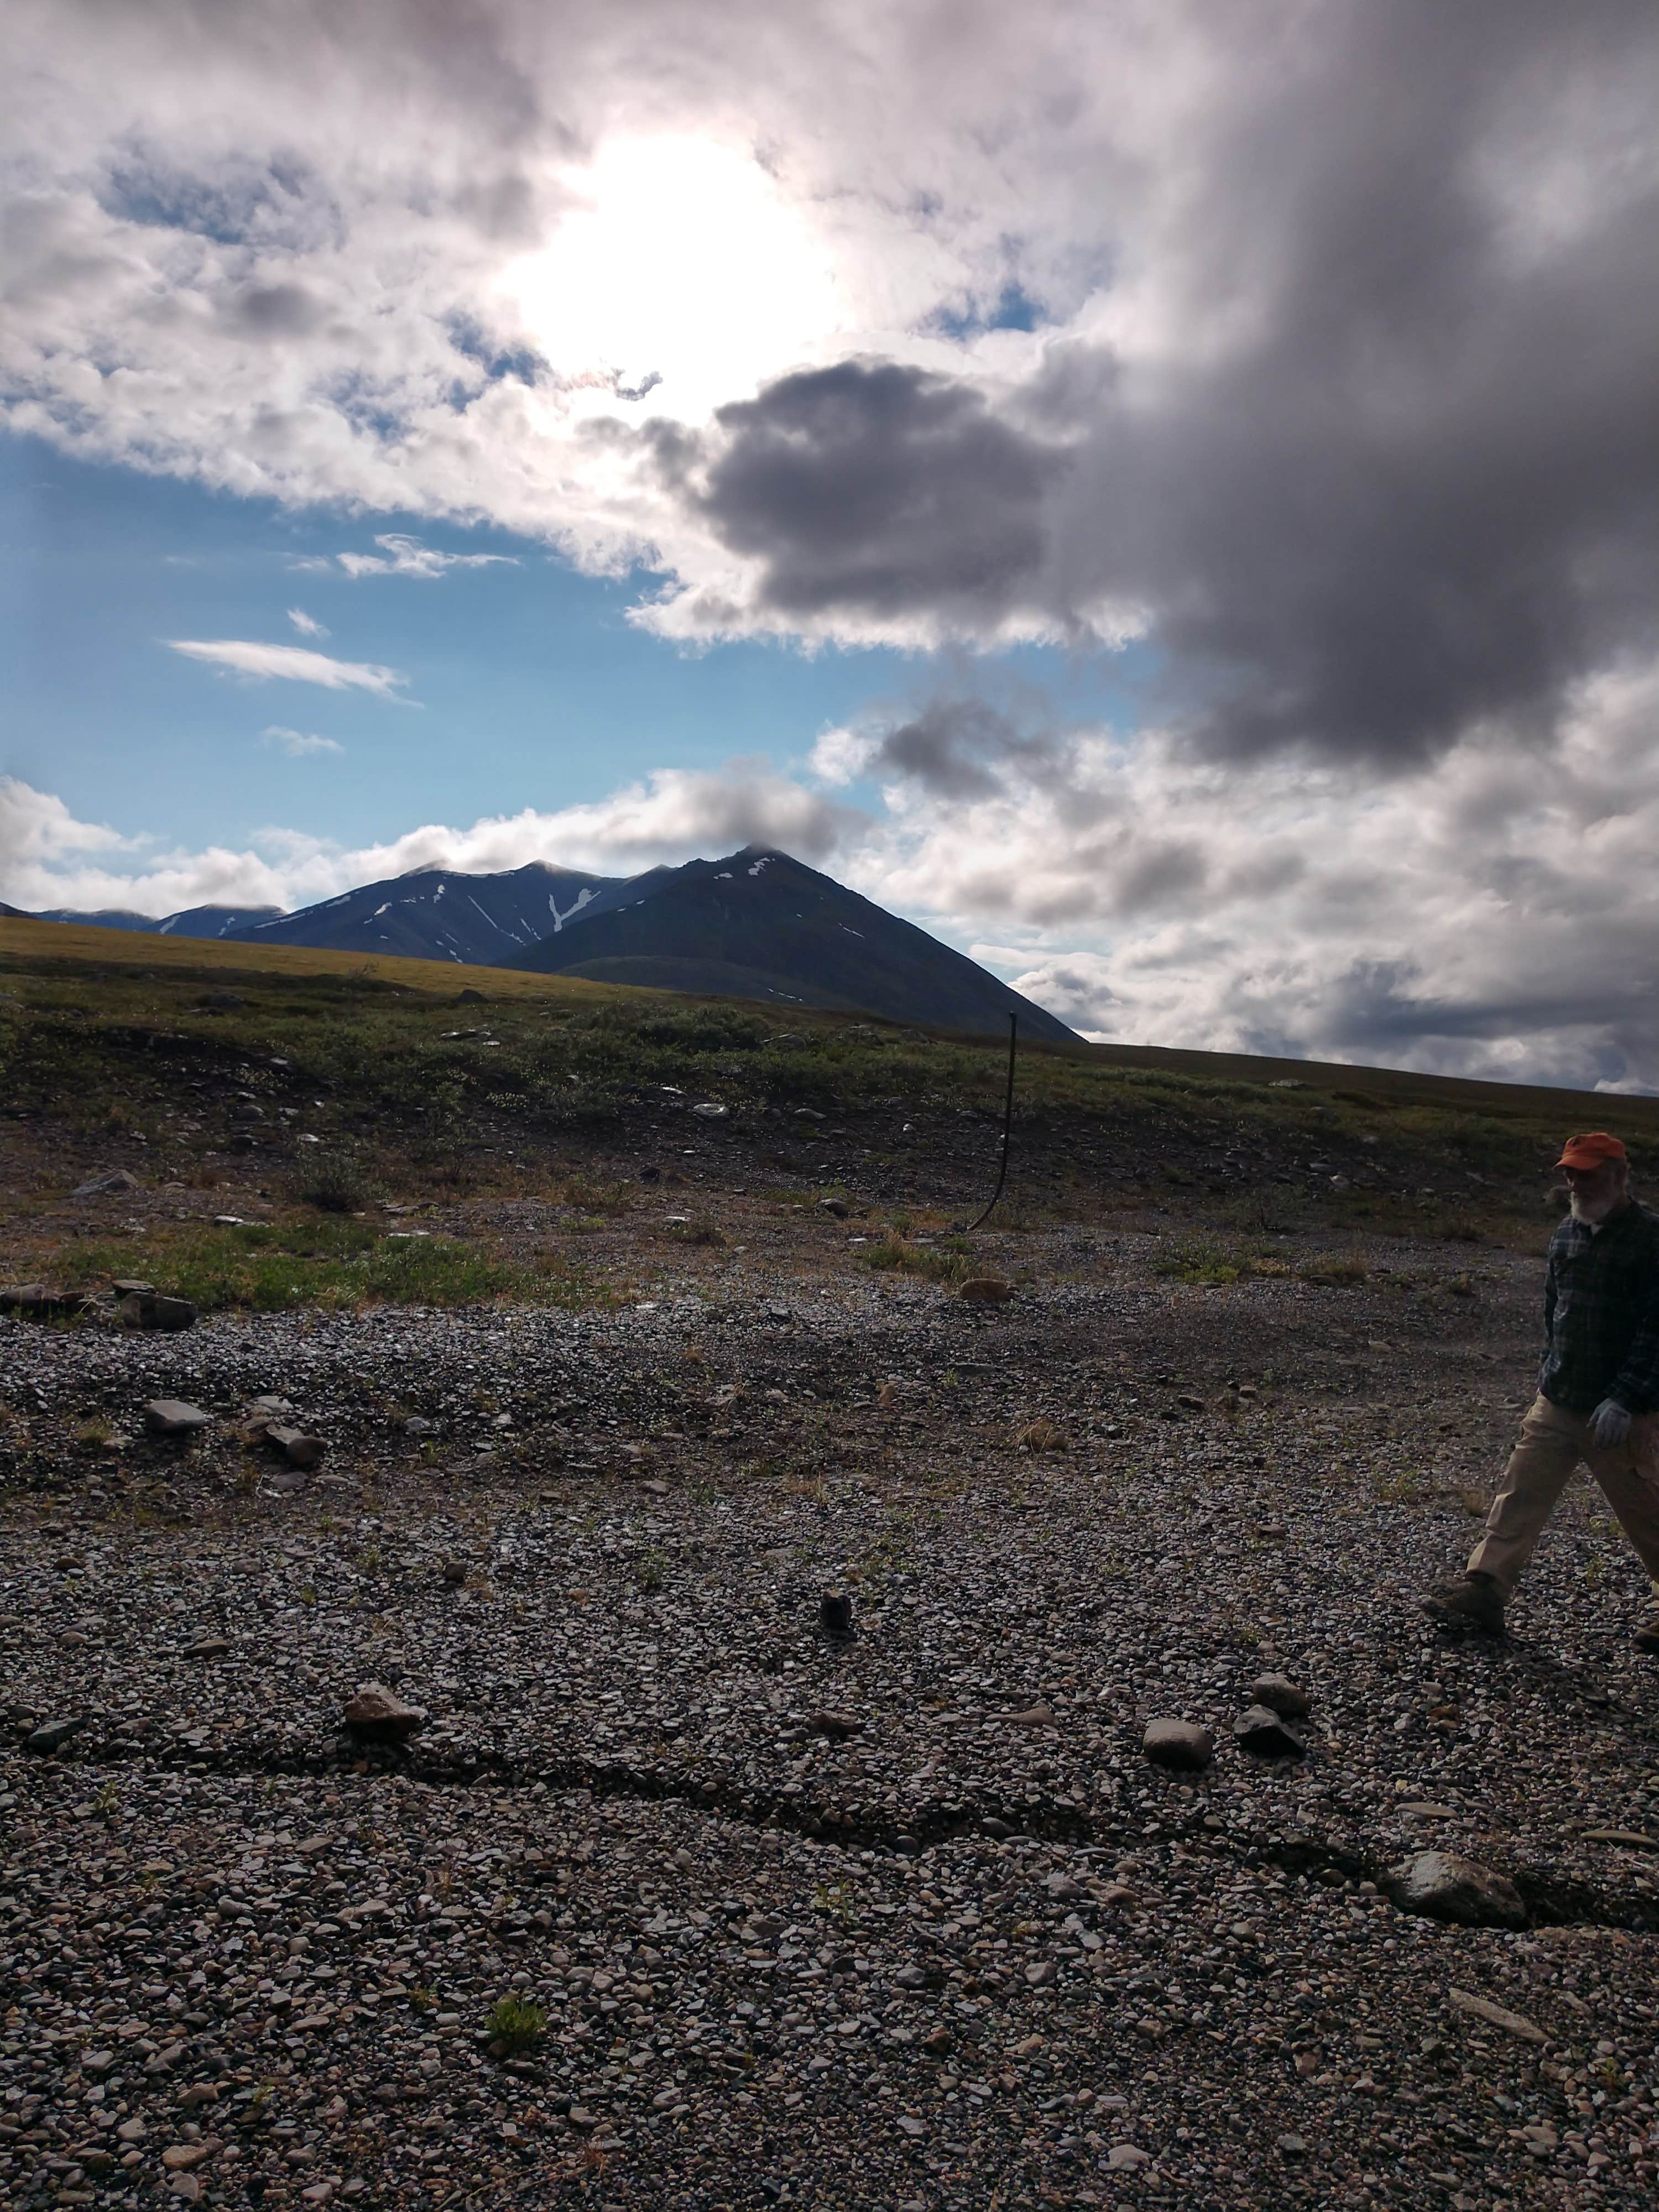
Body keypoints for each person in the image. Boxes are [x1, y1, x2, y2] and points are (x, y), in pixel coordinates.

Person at [1421, 1131, 1659, 1651]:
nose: (1575, 1181)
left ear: (1620, 1176)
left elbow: (1657, 1328)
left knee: (1648, 1513)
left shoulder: (1651, 1239)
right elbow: (1556, 1309)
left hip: (1622, 1410)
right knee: (1520, 1492)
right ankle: (1485, 1589)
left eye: (1588, 1172)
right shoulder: (1567, 1234)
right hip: (1559, 1398)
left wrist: (1626, 1398)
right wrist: (1553, 1367)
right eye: (1570, 1172)